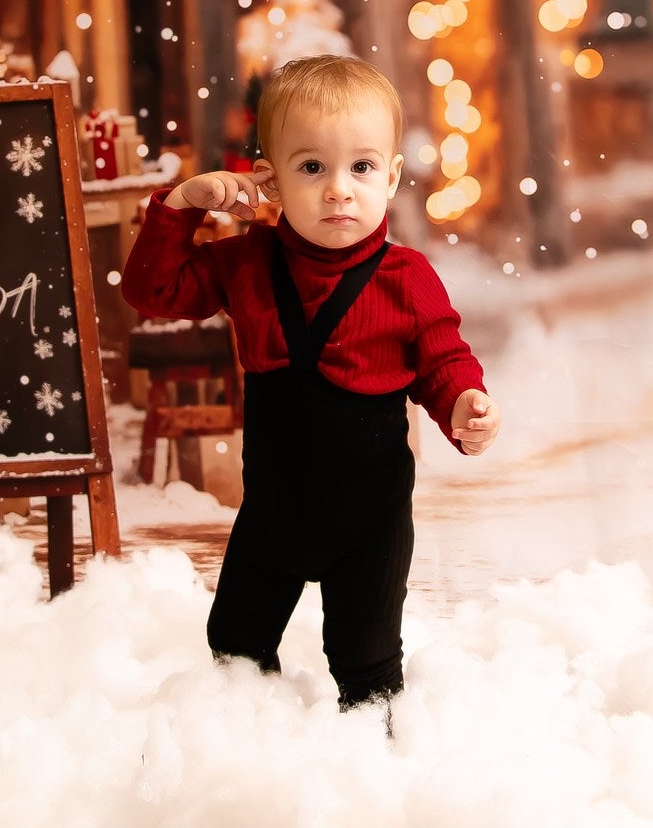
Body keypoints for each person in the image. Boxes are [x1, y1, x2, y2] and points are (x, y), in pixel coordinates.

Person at [121, 54, 499, 711]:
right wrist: (183, 203)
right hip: (273, 511)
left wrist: (465, 402)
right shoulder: (247, 263)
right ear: (269, 176)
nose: (338, 189)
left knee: (365, 658)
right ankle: (254, 749)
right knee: (235, 640)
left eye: (361, 167)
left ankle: (372, 773)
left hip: (371, 518)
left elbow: (443, 358)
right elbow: (152, 291)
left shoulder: (405, 278)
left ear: (391, 175)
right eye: (311, 167)